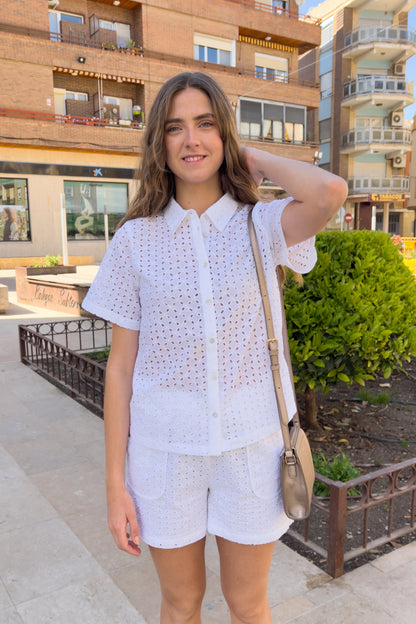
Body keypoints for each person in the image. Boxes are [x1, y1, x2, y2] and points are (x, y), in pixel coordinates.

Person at [82, 71, 347, 623]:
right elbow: (121, 370)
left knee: (247, 604)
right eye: (174, 127)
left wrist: (249, 156)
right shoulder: (136, 240)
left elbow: (328, 193)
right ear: (159, 142)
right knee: (180, 605)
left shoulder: (263, 224)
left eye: (205, 124)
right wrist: (114, 486)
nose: (191, 140)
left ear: (224, 133)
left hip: (251, 449)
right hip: (163, 452)